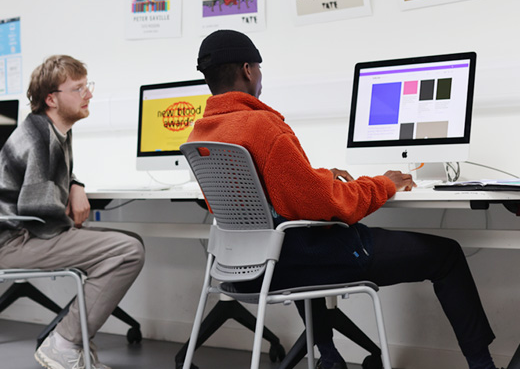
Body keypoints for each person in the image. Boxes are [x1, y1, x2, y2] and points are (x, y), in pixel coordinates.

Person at [188, 30, 501, 369]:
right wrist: (384, 184)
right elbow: (330, 206)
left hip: (242, 269)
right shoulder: (262, 126)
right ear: (248, 70)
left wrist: (317, 175)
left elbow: (251, 195)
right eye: (259, 70)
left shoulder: (202, 133)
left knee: (294, 241)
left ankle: (330, 356)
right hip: (292, 263)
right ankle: (483, 366)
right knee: (447, 255)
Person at [0, 55, 145, 369]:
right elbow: (37, 211)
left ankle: (72, 340)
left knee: (128, 240)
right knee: (127, 250)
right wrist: (74, 226)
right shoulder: (41, 138)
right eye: (78, 89)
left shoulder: (54, 129)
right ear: (52, 99)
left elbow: (62, 175)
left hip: (24, 233)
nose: (88, 94)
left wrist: (76, 184)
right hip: (14, 242)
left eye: (87, 86)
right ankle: (63, 343)